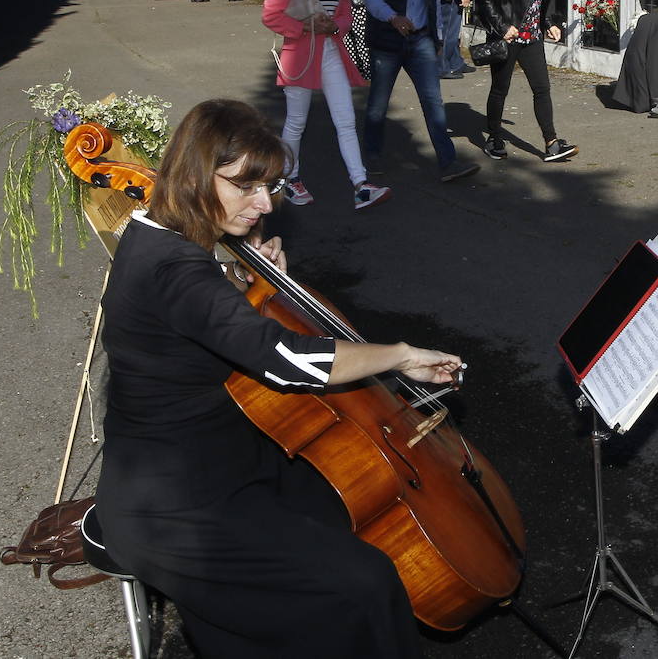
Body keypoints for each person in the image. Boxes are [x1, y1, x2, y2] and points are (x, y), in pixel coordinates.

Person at [95, 98, 459, 657]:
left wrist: (241, 286)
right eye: (246, 186)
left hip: (215, 463)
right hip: (175, 507)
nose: (263, 204)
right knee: (366, 582)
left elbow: (196, 327)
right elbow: (288, 361)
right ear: (196, 174)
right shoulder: (173, 269)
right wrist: (400, 355)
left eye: (271, 187)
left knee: (349, 498)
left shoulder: (155, 237)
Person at [262, 0, 390, 211]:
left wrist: (336, 26)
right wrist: (303, 27)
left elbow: (345, 14)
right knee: (296, 121)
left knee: (345, 120)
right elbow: (270, 15)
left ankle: (360, 184)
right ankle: (289, 179)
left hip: (332, 51)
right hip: (300, 56)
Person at [362, 0, 479, 183]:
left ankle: (448, 162)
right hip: (388, 41)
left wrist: (438, 37)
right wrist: (393, 17)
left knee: (433, 101)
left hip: (421, 40)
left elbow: (433, 0)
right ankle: (372, 157)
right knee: (378, 104)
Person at [475, 0, 578, 162]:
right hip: (508, 39)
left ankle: (551, 143)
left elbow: (535, 1)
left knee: (542, 89)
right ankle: (494, 138)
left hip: (532, 38)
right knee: (500, 89)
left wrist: (547, 23)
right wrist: (502, 27)